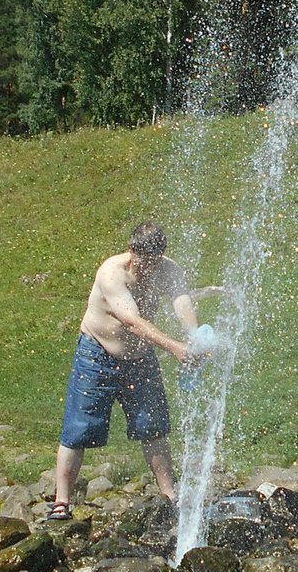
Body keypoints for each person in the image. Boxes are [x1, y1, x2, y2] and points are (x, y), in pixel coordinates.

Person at [51, 222, 202, 519]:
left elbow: (182, 304)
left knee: (153, 427)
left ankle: (170, 494)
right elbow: (132, 320)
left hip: (141, 357)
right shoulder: (112, 273)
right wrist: (174, 347)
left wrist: (196, 338)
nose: (148, 269)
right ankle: (61, 502)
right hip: (97, 354)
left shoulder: (170, 270)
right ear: (132, 251)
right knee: (78, 430)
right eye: (144, 262)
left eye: (155, 262)